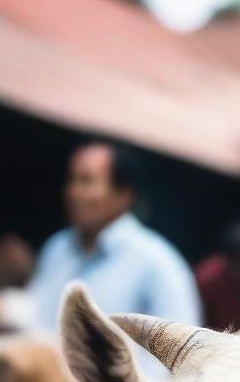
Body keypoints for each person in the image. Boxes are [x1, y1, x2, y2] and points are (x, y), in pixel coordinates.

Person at [28, 141, 201, 332]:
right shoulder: (57, 248)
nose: (74, 192)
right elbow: (37, 319)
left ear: (124, 194)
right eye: (71, 180)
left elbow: (182, 351)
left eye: (87, 181)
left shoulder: (158, 262)